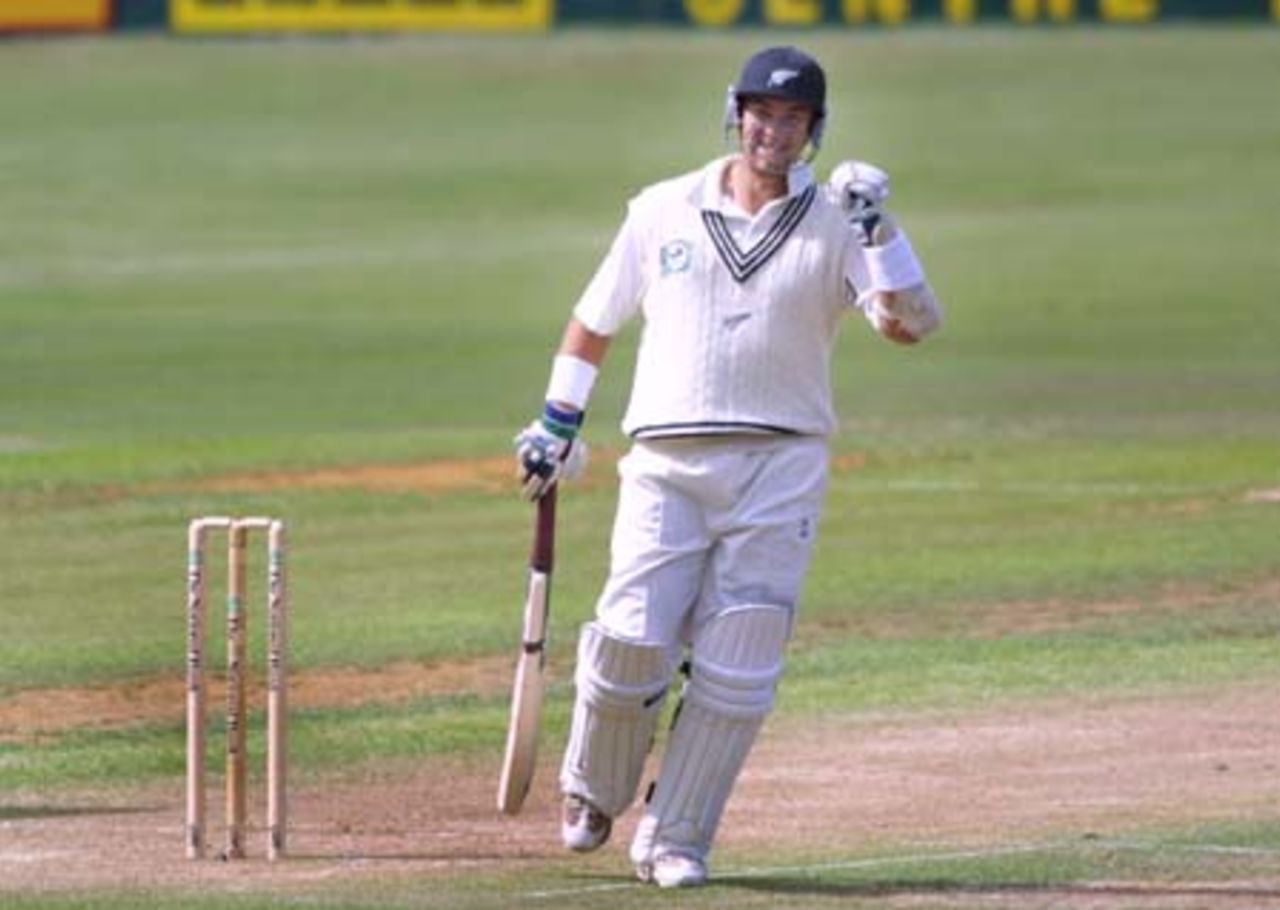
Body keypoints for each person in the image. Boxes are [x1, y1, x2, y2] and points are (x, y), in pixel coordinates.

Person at [513, 45, 942, 888]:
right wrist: (556, 422)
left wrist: (880, 232)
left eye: (792, 119)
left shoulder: (838, 220)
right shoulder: (662, 209)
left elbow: (909, 326)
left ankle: (677, 839)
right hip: (668, 459)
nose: (772, 132)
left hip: (780, 464)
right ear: (734, 114)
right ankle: (593, 789)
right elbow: (593, 322)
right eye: (761, 114)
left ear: (815, 131)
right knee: (632, 638)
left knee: (739, 661)